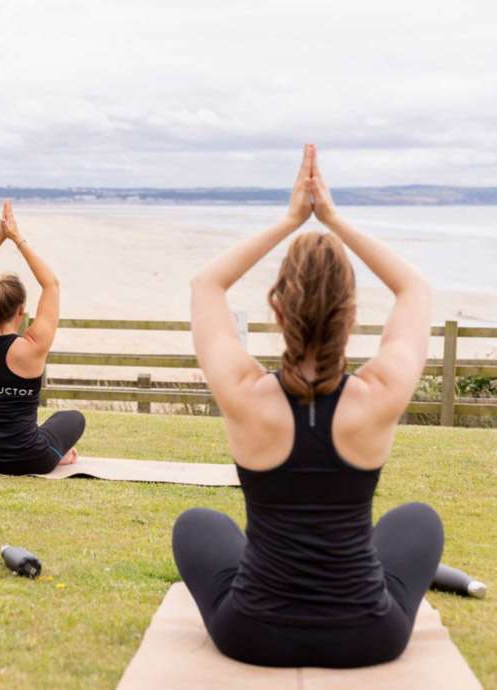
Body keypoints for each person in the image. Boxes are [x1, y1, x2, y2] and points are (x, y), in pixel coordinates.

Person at [172, 144, 444, 668]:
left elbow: (206, 283)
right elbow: (414, 287)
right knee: (418, 521)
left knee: (198, 522)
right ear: (353, 312)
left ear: (277, 307)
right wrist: (333, 220)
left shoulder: (244, 393)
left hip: (251, 634)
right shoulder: (380, 392)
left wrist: (291, 219)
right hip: (368, 636)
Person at [0, 201, 85, 475]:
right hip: (31, 458)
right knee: (72, 418)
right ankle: (60, 455)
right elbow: (51, 284)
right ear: (22, 310)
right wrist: (16, 239)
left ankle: (4, 446)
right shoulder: (32, 347)